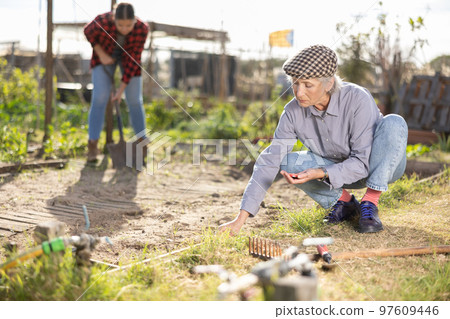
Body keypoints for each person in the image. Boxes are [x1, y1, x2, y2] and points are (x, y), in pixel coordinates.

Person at [219, 45, 408, 235]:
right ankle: (344, 202)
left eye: (308, 85)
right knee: (286, 162)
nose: (299, 93)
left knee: (394, 122)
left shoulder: (357, 99)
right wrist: (240, 219)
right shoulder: (293, 111)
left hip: (380, 166)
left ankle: (370, 203)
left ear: (329, 83)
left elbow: (362, 162)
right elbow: (269, 161)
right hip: (335, 174)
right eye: (295, 83)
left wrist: (321, 172)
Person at [84, 2, 149, 162]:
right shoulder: (103, 21)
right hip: (104, 56)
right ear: (114, 18)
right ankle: (93, 145)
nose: (125, 29)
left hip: (128, 60)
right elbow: (87, 31)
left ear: (135, 20)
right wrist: (101, 54)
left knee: (134, 99)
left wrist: (120, 91)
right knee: (99, 97)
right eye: (121, 25)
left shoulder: (142, 29)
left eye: (129, 25)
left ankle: (142, 144)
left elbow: (134, 61)